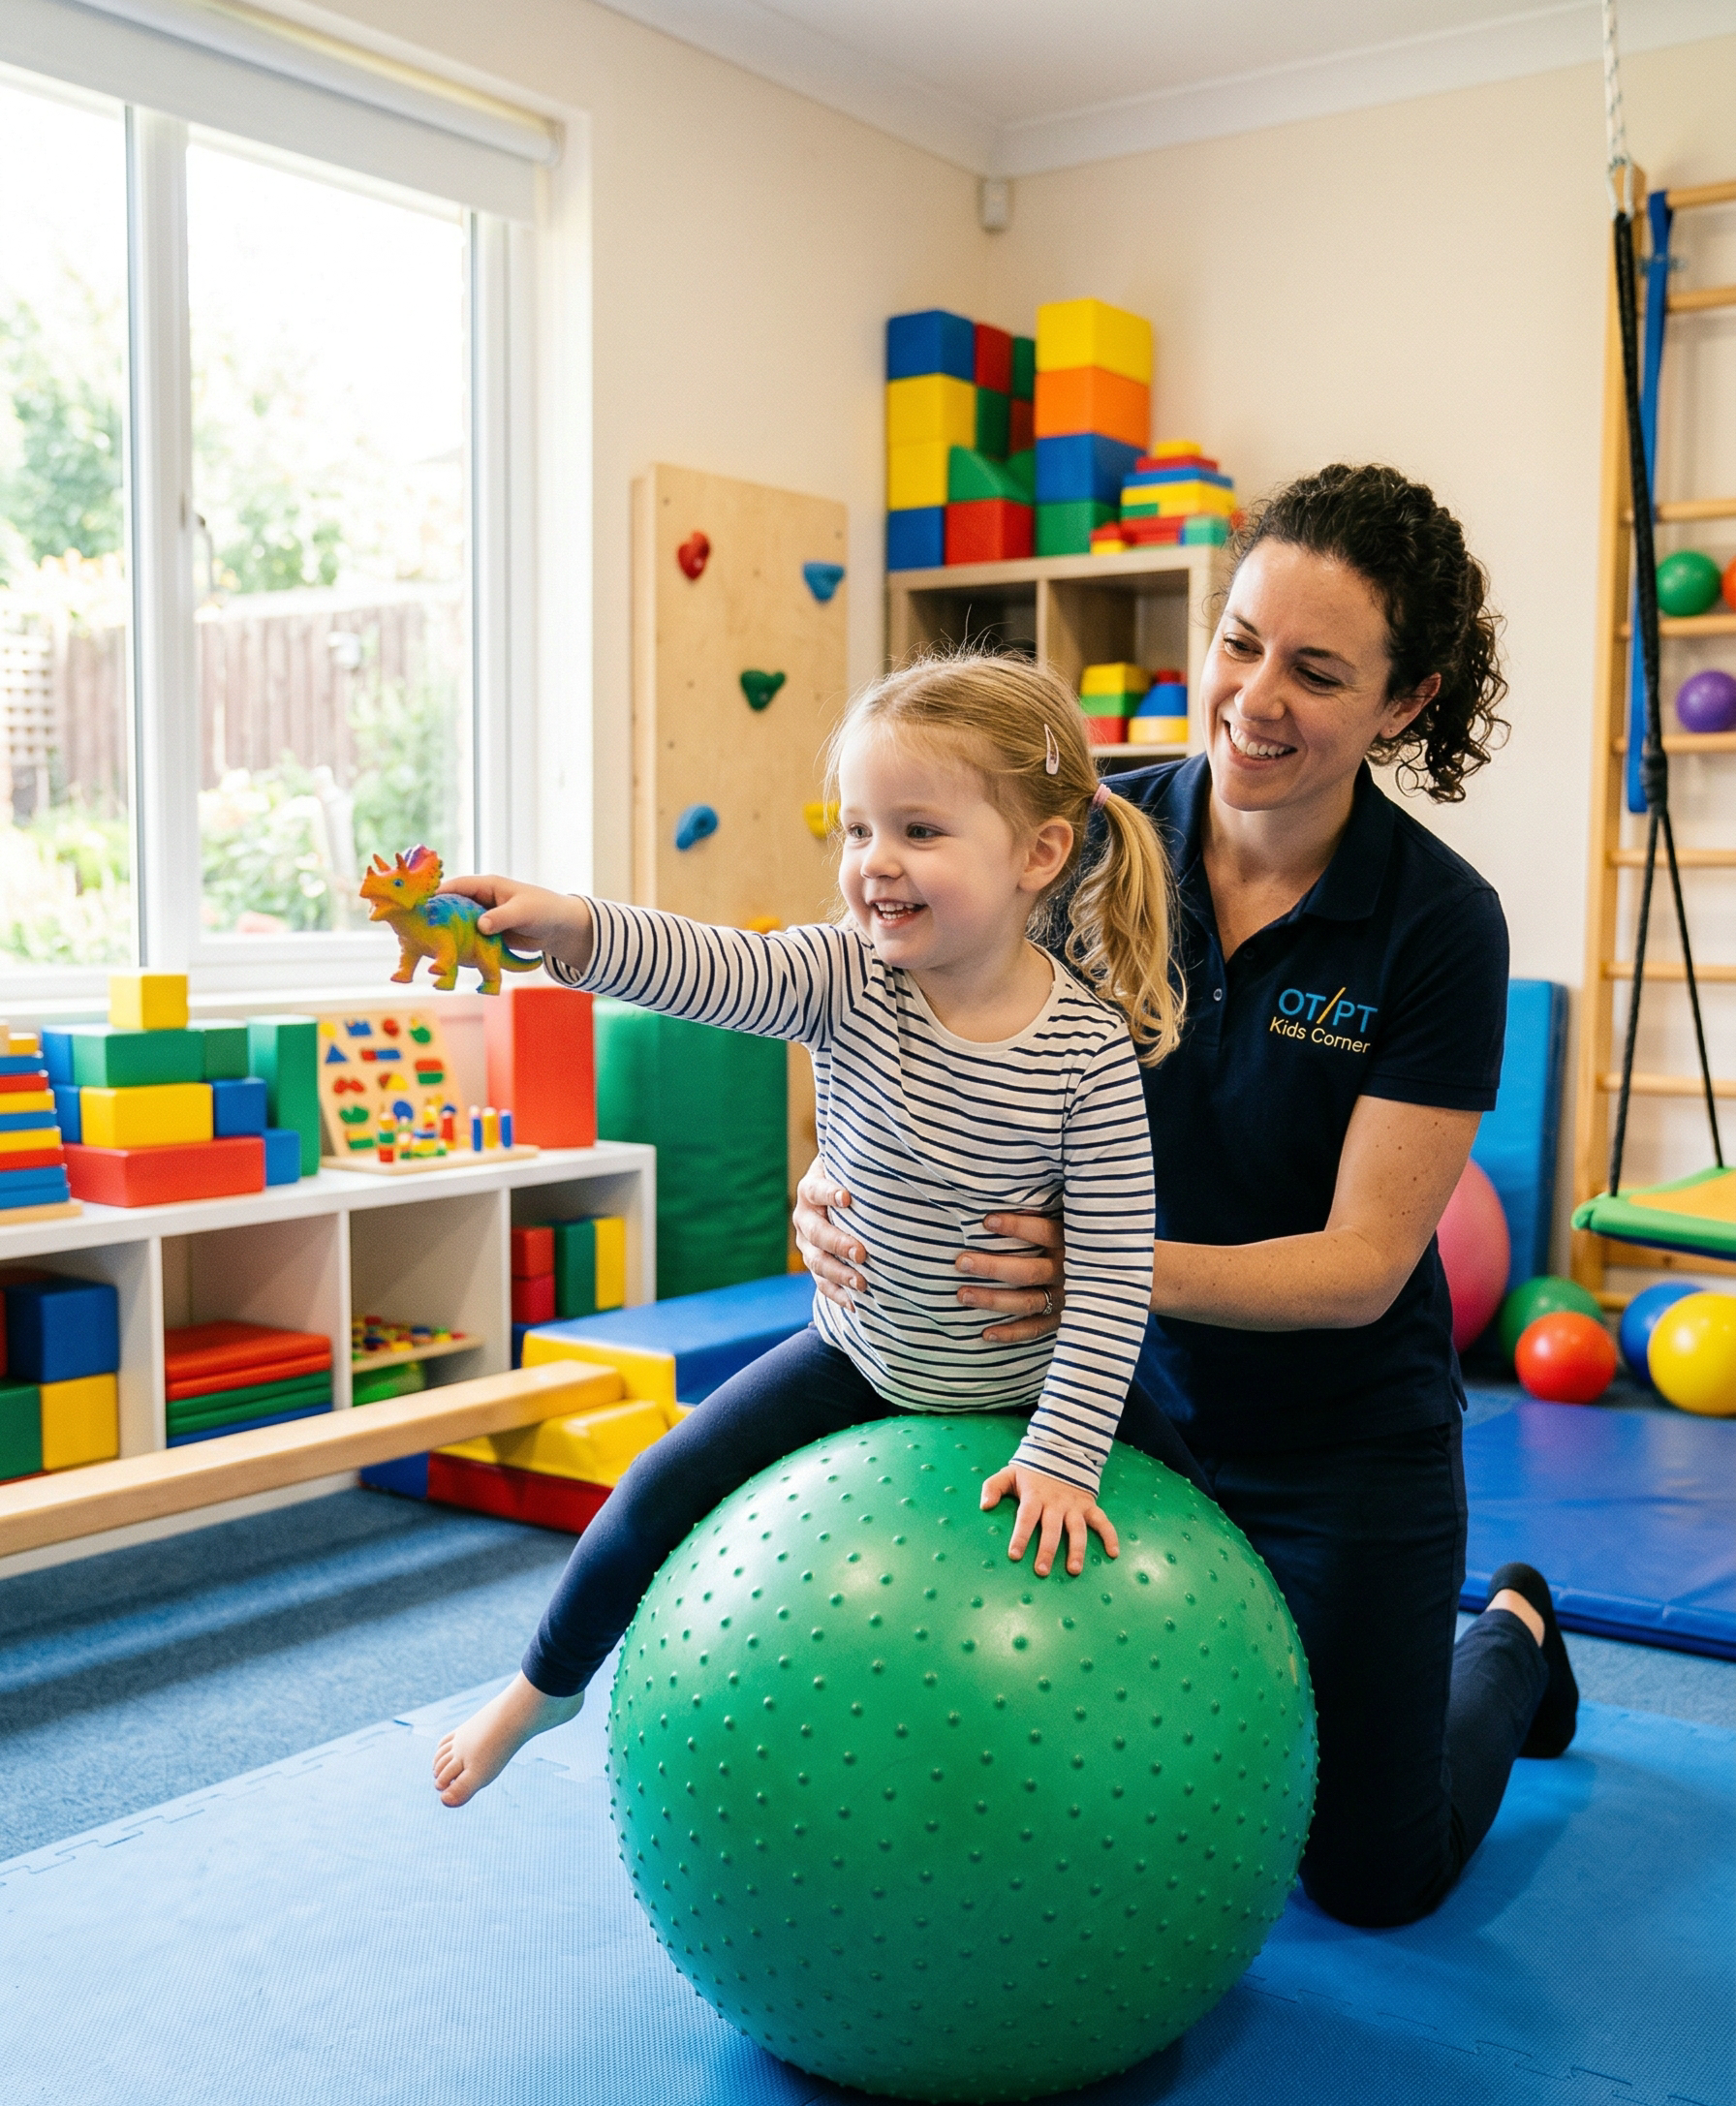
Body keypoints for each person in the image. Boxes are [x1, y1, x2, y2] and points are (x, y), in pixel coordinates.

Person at [796, 463, 1579, 1931]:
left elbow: (1359, 1267)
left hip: (1339, 1434)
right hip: (1104, 1400)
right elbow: (893, 1017)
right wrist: (833, 1180)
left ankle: (1519, 1636)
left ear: (1401, 708)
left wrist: (1099, 1267)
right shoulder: (1078, 838)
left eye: (1318, 669)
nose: (1253, 697)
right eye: (1239, 640)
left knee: (1365, 1878)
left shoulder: (1439, 926)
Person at [431, 653, 1202, 1809]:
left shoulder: (1085, 1050)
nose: (873, 864)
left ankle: (1230, 1753)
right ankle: (544, 1687)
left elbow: (1106, 1276)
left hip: (1023, 1381)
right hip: (861, 1360)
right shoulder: (844, 975)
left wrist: (1059, 1452)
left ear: (1036, 855)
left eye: (919, 830)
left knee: (1208, 1534)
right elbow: (710, 966)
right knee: (650, 1490)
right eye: (855, 830)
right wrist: (572, 927)